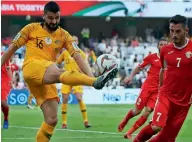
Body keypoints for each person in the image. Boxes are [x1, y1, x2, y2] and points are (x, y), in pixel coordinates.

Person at [1, 1, 118, 142]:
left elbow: (77, 55)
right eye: (50, 18)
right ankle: (94, 82)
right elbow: (12, 49)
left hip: (45, 76)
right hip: (31, 67)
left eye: (57, 17)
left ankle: (93, 80)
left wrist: (90, 74)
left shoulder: (64, 35)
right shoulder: (30, 28)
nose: (54, 21)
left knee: (51, 119)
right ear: (43, 16)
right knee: (58, 71)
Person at [133, 15, 192, 142]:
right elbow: (163, 70)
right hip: (166, 95)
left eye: (178, 31)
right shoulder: (165, 50)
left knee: (167, 138)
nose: (174, 34)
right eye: (171, 30)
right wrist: (160, 90)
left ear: (186, 31)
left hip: (184, 101)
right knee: (156, 127)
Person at [118, 38, 168, 139]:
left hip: (157, 91)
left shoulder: (169, 60)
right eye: (161, 44)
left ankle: (129, 132)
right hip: (147, 87)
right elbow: (139, 67)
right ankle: (125, 120)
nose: (163, 46)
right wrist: (130, 76)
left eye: (165, 45)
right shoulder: (152, 57)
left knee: (148, 110)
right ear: (158, 46)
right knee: (137, 111)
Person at [56, 35, 91, 129]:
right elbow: (57, 62)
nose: (74, 42)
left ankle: (86, 121)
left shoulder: (81, 53)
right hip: (66, 77)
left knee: (79, 98)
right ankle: (64, 122)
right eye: (73, 40)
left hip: (77, 78)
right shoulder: (65, 52)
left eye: (75, 40)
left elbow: (86, 65)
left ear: (78, 42)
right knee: (65, 99)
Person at [1, 52, 12, 129]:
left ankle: (6, 118)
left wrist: (11, 81)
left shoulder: (4, 55)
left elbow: (8, 68)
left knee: (3, 103)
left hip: (3, 81)